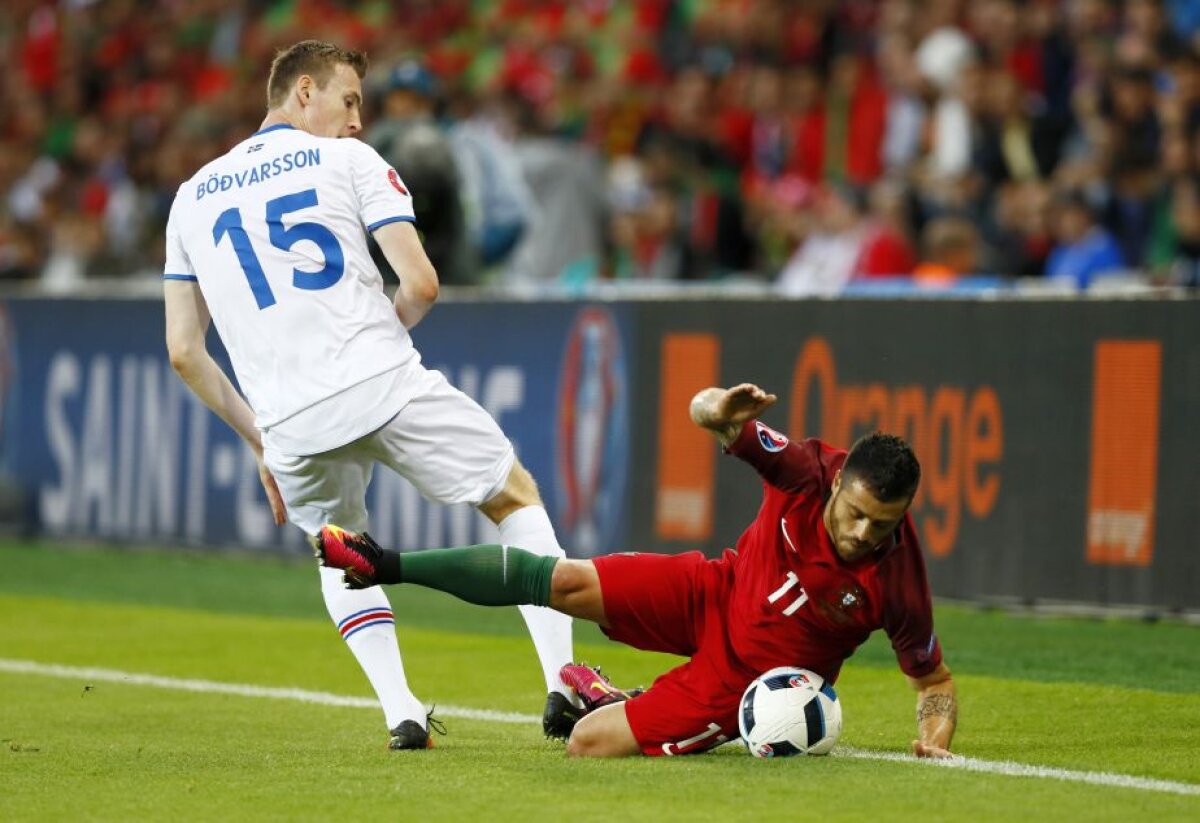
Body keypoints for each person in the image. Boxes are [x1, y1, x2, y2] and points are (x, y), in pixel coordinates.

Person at [161, 40, 578, 751]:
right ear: (303, 92)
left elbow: (183, 350)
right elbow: (422, 284)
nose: (358, 120)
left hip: (290, 424)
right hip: (381, 381)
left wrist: (260, 438)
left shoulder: (191, 197)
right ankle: (564, 686)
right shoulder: (350, 161)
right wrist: (371, 338)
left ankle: (401, 712)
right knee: (512, 495)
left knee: (341, 550)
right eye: (349, 100)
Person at [316, 383, 959, 759]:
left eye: (883, 524)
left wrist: (935, 735)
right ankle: (383, 563)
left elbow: (933, 681)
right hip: (714, 591)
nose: (863, 533)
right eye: (856, 514)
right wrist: (720, 410)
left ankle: (616, 703)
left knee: (585, 743)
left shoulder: (897, 576)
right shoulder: (806, 471)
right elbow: (707, 413)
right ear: (839, 482)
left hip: (739, 684)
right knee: (565, 580)